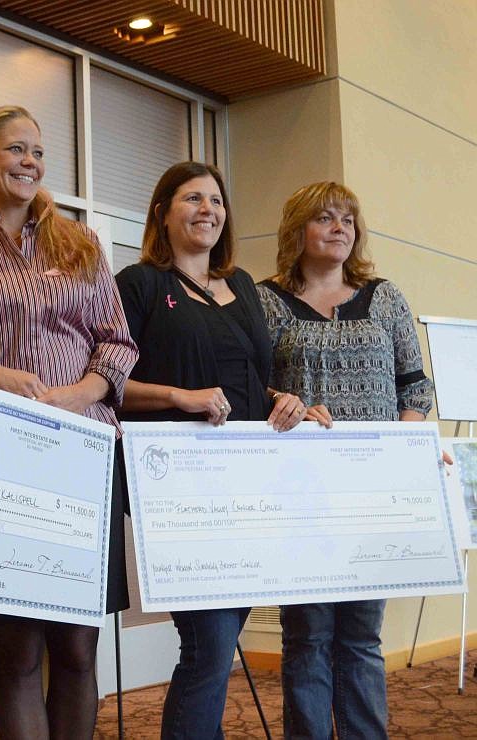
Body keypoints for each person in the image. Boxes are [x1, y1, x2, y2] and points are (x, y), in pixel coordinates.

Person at [0, 105, 139, 740]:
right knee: (17, 655)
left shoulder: (80, 242)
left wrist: (78, 395)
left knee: (76, 650)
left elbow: (117, 343)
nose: (30, 163)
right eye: (15, 150)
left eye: (37, 152)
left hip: (84, 455)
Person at [114, 161, 306, 740]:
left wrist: (285, 399)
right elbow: (109, 379)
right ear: (162, 213)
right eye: (192, 198)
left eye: (216, 200)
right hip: (182, 488)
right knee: (210, 643)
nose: (208, 210)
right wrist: (181, 396)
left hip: (249, 483)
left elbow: (248, 374)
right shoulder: (140, 283)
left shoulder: (243, 285)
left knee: (219, 640)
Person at [258, 181, 434, 739]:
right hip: (300, 493)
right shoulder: (265, 300)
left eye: (348, 220)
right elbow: (248, 384)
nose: (339, 228)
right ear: (298, 230)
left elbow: (416, 388)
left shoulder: (385, 297)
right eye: (325, 218)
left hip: (371, 495)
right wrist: (279, 402)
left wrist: (401, 453)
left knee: (360, 635)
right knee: (307, 634)